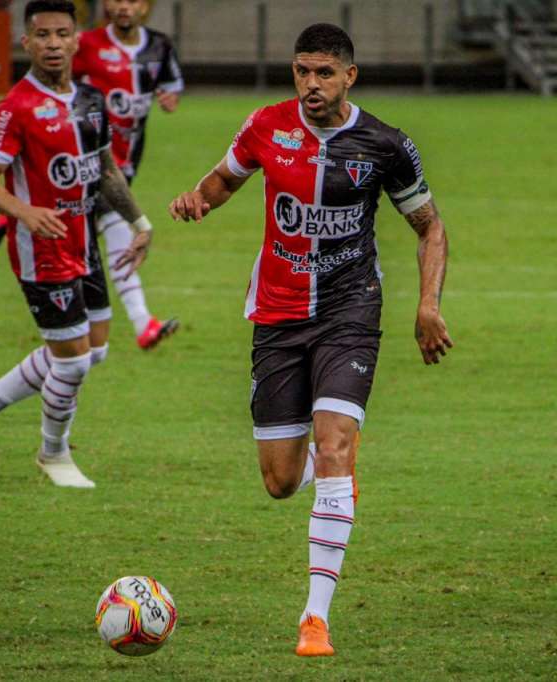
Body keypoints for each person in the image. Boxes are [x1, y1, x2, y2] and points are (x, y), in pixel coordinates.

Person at [168, 23, 453, 656]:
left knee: (334, 444)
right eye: (302, 71)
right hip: (277, 314)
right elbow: (224, 179)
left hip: (351, 311)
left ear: (350, 75)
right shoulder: (266, 126)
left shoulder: (385, 144)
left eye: (324, 72)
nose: (311, 84)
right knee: (277, 479)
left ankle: (315, 619)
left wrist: (428, 305)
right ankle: (331, 473)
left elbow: (430, 228)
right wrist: (197, 201)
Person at [0, 0, 155, 488]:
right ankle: (53, 454)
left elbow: (105, 171)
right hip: (40, 251)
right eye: (41, 35)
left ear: (75, 39)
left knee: (96, 348)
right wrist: (24, 212)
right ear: (27, 42)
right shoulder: (13, 108)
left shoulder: (90, 100)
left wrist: (140, 222)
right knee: (74, 358)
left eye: (61, 34)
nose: (51, 44)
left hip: (83, 242)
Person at [0, 0, 182, 350]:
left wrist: (170, 95)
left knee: (92, 348)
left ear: (146, 6)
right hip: (78, 171)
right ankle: (143, 323)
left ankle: (9, 214)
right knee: (120, 237)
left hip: (120, 163)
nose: (123, 7)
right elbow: (48, 92)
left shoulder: (159, 46)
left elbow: (170, 82)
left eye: (132, 0)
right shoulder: (87, 44)